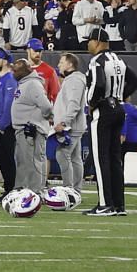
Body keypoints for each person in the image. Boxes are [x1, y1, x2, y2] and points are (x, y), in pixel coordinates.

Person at [84, 35, 137, 217]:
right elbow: (135, 80)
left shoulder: (97, 61)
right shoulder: (118, 59)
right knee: (115, 158)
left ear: (98, 42)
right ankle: (118, 204)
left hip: (104, 109)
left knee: (101, 159)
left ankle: (105, 204)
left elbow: (98, 83)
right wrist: (120, 95)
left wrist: (92, 103)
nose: (88, 44)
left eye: (90, 40)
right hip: (119, 109)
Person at [9, 52, 53, 193]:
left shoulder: (33, 84)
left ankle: (35, 192)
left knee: (33, 162)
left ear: (24, 71)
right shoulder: (25, 83)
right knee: (24, 162)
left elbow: (46, 106)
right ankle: (24, 190)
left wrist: (42, 119)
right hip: (24, 130)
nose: (13, 72)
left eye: (15, 70)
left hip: (31, 131)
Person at [51, 52, 89, 196]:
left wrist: (64, 121)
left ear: (70, 64)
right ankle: (76, 190)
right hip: (73, 124)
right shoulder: (73, 80)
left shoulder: (74, 80)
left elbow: (73, 104)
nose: (59, 65)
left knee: (62, 155)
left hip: (71, 126)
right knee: (75, 158)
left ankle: (69, 189)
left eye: (62, 62)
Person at [0, 48, 18, 196]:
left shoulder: (10, 80)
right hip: (0, 126)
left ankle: (11, 188)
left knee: (8, 159)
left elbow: (9, 105)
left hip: (6, 127)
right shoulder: (2, 80)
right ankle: (8, 187)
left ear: (5, 61)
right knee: (2, 158)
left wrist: (3, 126)